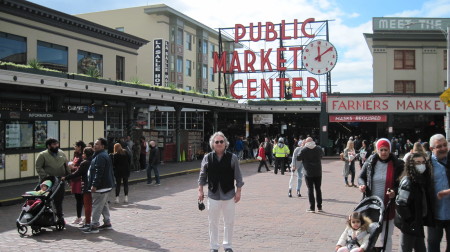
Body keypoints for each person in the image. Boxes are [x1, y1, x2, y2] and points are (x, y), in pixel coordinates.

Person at [198, 131, 244, 252]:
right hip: (213, 195)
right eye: (216, 142)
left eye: (221, 141)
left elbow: (238, 176)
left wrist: (238, 191)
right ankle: (214, 247)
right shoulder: (207, 157)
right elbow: (202, 176)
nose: (219, 143)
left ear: (225, 143)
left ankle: (227, 245)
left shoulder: (232, 158)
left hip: (228, 194)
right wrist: (200, 191)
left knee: (229, 221)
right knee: (213, 222)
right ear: (212, 144)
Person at [358, 138, 404, 251]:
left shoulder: (397, 164)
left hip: (389, 205)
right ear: (377, 150)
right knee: (368, 235)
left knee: (386, 236)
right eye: (381, 150)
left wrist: (395, 191)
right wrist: (362, 185)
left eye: (386, 150)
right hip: (372, 206)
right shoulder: (370, 162)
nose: (384, 152)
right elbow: (361, 177)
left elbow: (401, 183)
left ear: (390, 150)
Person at [394, 152, 434, 252]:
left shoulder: (421, 180)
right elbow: (401, 204)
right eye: (417, 163)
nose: (421, 165)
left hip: (417, 221)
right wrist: (410, 221)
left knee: (420, 248)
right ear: (411, 165)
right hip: (409, 224)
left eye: (423, 162)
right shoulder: (408, 181)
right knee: (406, 248)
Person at [82, 138, 115, 234]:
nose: (94, 146)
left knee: (96, 205)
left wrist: (94, 185)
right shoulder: (101, 155)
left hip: (101, 187)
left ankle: (94, 225)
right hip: (105, 185)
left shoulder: (100, 156)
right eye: (95, 144)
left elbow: (99, 171)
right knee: (103, 204)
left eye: (97, 144)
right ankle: (107, 222)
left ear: (102, 146)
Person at [35, 138, 69, 224]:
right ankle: (43, 216)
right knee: (45, 199)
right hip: (47, 182)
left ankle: (60, 217)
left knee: (58, 200)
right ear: (48, 146)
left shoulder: (61, 153)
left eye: (57, 144)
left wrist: (68, 176)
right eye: (54, 144)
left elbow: (66, 165)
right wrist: (46, 177)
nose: (56, 146)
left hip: (60, 181)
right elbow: (39, 167)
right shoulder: (42, 155)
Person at [427, 133, 450, 252]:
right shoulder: (426, 164)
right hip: (435, 212)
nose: (443, 148)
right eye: (439, 146)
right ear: (431, 149)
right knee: (433, 244)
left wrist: (446, 192)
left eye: (445, 145)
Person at [62, 147, 94, 229]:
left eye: (84, 153)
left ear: (86, 154)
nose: (82, 155)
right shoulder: (94, 161)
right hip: (94, 185)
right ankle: (93, 220)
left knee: (87, 204)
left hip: (87, 185)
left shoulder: (85, 163)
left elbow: (77, 173)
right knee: (94, 204)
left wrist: (66, 178)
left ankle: (88, 221)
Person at [297, 137, 324, 212]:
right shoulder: (318, 148)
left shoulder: (304, 149)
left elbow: (298, 158)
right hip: (318, 172)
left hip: (308, 172)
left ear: (306, 142)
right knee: (318, 189)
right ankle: (319, 207)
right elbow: (322, 155)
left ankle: (312, 207)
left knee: (310, 189)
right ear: (313, 141)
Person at [68, 140, 86, 225]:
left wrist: (73, 167)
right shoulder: (76, 155)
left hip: (80, 179)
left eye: (76, 146)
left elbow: (81, 168)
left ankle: (86, 217)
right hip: (74, 179)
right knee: (78, 199)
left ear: (79, 147)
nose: (75, 147)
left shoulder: (82, 156)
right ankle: (79, 217)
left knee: (82, 199)